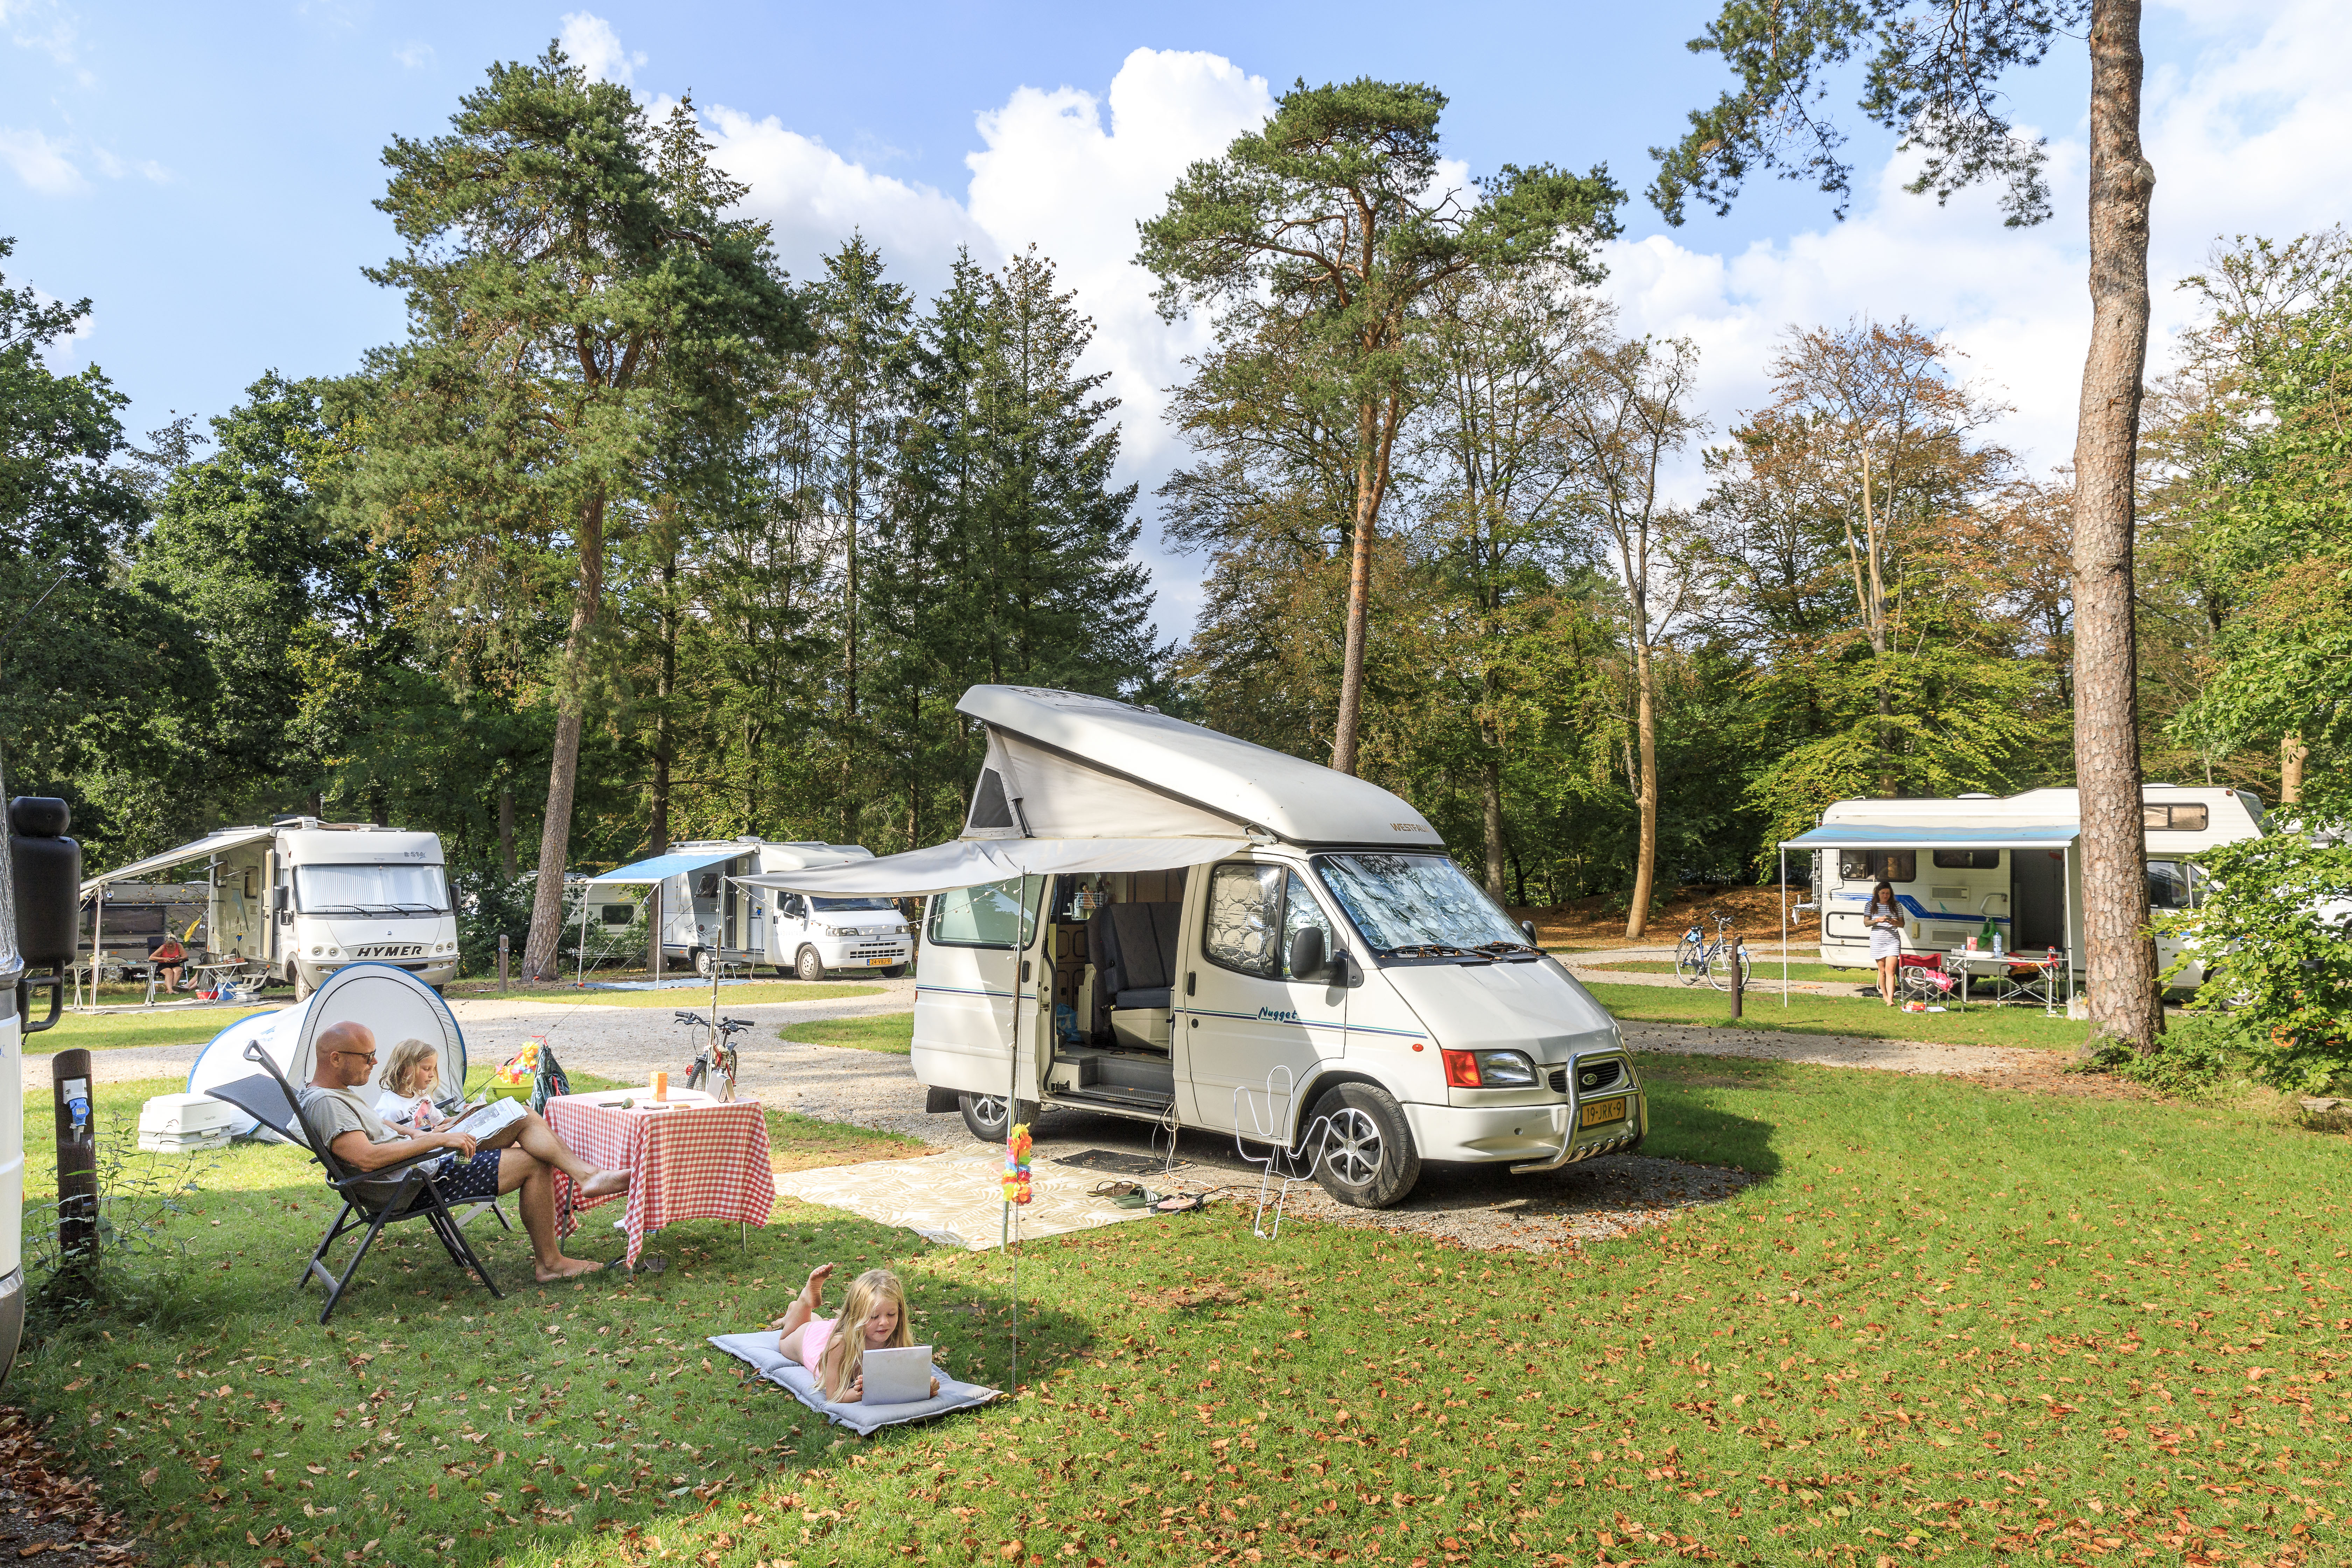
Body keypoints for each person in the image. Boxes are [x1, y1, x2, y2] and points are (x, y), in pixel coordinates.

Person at [299, 1020, 628, 1283]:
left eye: (374, 1054)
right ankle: (552, 1261)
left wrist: (420, 1132)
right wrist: (437, 1141)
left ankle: (588, 1179)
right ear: (336, 1058)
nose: (374, 1062)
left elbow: (380, 1130)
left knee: (520, 1114)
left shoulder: (332, 1093)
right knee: (534, 1162)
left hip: (419, 1161)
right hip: (411, 1182)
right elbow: (366, 1158)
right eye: (366, 1056)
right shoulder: (328, 1103)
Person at [769, 1264, 938, 1403]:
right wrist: (861, 1393)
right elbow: (833, 1395)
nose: (884, 1322)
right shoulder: (838, 1346)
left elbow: (906, 1381)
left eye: (891, 1314)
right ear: (856, 1316)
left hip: (847, 1330)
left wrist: (924, 1388)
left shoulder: (896, 1339)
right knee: (785, 1340)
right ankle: (805, 1300)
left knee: (816, 1320)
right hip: (814, 1340)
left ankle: (794, 1311)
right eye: (874, 1316)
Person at [374, 1036, 451, 1128]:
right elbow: (400, 1142)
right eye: (427, 1069)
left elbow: (441, 1122)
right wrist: (436, 1136)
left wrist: (467, 1114)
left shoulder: (421, 1094)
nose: (432, 1075)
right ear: (404, 1069)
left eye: (433, 1069)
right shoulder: (391, 1110)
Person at [1864, 880, 1905, 1005]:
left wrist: (1894, 922)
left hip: (1893, 940)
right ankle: (1885, 996)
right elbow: (1866, 923)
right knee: (1882, 971)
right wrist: (1877, 920)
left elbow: (1902, 924)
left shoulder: (1897, 905)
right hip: (1878, 940)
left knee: (1891, 970)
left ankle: (1891, 1000)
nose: (1885, 896)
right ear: (1878, 893)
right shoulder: (1870, 905)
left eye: (1888, 893)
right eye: (1883, 893)